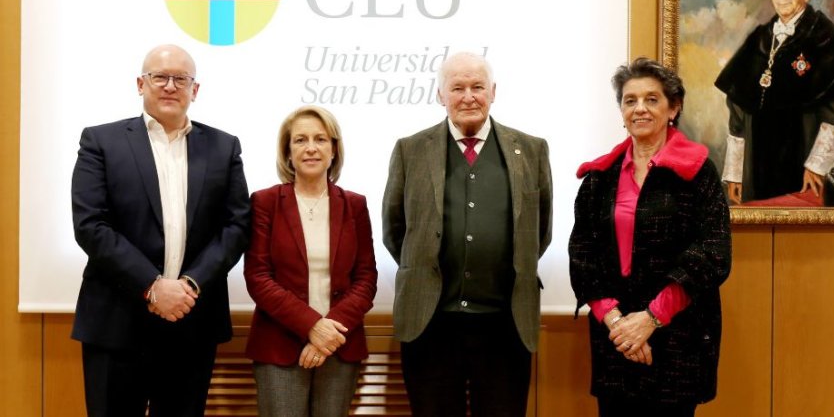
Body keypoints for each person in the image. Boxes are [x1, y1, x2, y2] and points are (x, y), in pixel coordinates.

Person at [71, 44, 251, 417]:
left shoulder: (223, 147)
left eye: (181, 79)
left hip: (192, 322)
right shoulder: (100, 142)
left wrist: (190, 285)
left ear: (194, 90)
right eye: (160, 77)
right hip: (116, 324)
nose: (170, 86)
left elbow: (236, 225)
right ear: (141, 83)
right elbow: (91, 225)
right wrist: (153, 286)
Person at [382, 51, 552, 417]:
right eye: (457, 87)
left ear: (493, 91)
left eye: (477, 86)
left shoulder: (532, 150)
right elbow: (394, 229)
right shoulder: (410, 150)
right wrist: (426, 270)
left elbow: (541, 231)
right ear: (441, 95)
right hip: (431, 325)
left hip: (505, 325)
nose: (468, 96)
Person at [569, 58, 732, 417]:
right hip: (615, 337)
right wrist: (617, 323)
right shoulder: (599, 176)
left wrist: (650, 319)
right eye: (630, 100)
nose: (639, 108)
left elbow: (713, 252)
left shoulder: (698, 171)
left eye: (652, 99)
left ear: (674, 108)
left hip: (677, 337)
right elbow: (583, 255)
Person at [244, 105, 377, 417]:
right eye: (300, 140)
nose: (311, 148)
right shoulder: (265, 203)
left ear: (334, 150)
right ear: (288, 152)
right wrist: (311, 326)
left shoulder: (355, 205)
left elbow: (366, 278)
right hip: (279, 345)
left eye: (320, 139)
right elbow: (258, 277)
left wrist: (326, 337)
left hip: (339, 344)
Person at [715, 0, 834, 204]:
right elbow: (737, 107)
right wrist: (736, 173)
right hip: (756, 166)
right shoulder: (758, 39)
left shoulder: (828, 39)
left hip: (804, 164)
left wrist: (818, 166)